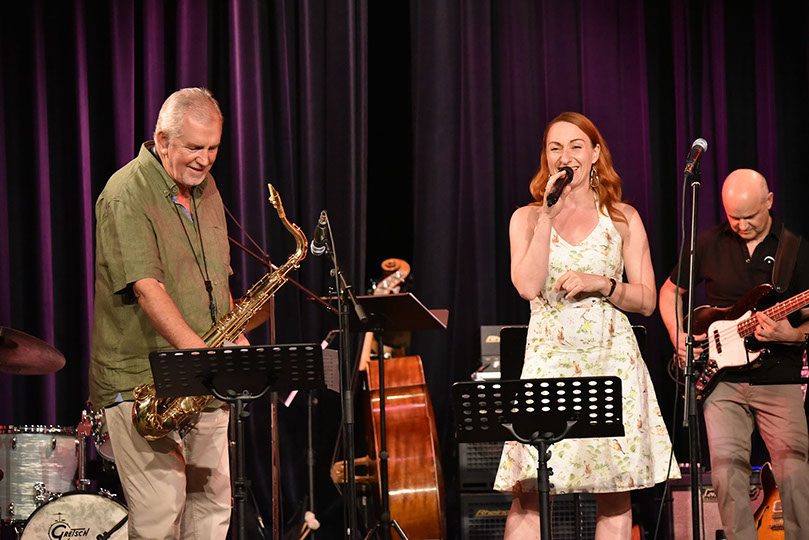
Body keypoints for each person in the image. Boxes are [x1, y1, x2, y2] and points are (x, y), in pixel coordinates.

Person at [494, 112, 679, 539]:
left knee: (614, 492)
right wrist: (547, 215)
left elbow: (648, 300)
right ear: (546, 157)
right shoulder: (526, 218)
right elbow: (527, 287)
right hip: (549, 364)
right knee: (531, 491)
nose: (566, 156)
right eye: (555, 147)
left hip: (611, 361)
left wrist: (603, 284)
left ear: (595, 153)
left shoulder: (622, 218)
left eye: (576, 146)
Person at [90, 87, 244, 539]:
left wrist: (233, 332)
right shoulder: (125, 193)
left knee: (212, 504)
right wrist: (202, 359)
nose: (205, 160)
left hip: (203, 374)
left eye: (213, 148)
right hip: (143, 378)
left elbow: (216, 280)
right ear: (162, 140)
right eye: (194, 147)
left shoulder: (207, 189)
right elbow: (147, 288)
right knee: (161, 509)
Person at [659, 168, 809, 540]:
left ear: (769, 201)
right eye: (733, 217)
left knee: (795, 475)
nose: (741, 225)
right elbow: (670, 291)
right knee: (726, 477)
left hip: (778, 376)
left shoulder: (795, 248)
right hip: (720, 380)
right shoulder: (709, 243)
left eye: (750, 217)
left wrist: (791, 335)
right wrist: (678, 335)